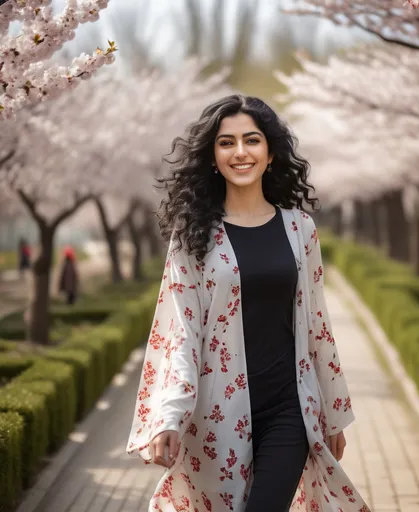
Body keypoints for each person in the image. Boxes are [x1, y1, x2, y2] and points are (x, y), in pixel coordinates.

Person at [126, 95, 370, 512]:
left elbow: (317, 325)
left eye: (251, 140)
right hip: (214, 415)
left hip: (289, 407)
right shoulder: (193, 236)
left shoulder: (300, 229)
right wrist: (169, 415)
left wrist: (332, 411)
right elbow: (182, 333)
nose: (240, 152)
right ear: (212, 157)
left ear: (271, 153)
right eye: (226, 143)